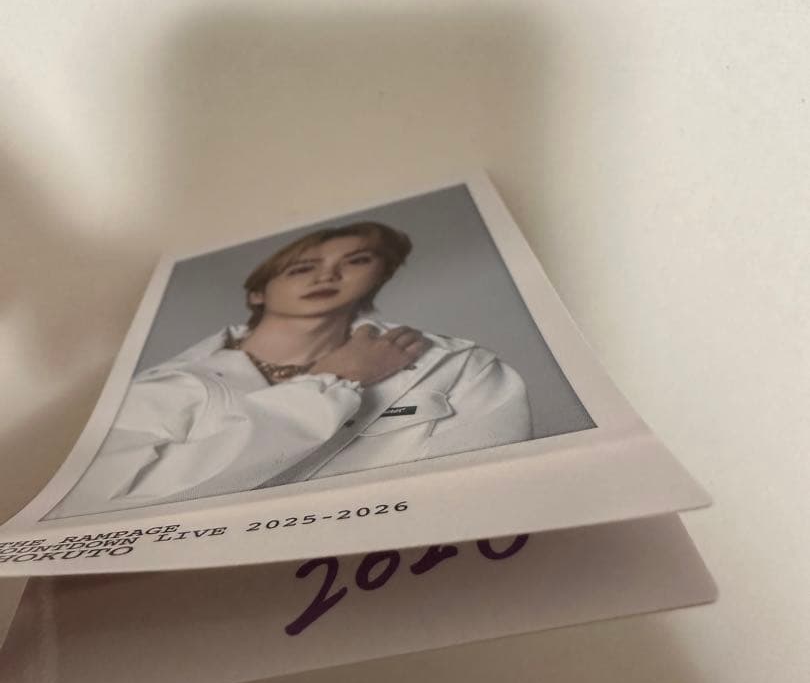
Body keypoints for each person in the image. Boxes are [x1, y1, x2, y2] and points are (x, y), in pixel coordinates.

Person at [51, 221, 532, 517]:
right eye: (302, 267)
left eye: (356, 260)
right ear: (257, 292)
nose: (327, 275)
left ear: (378, 276)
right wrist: (334, 381)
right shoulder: (164, 388)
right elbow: (105, 505)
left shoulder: (451, 364)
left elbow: (483, 499)